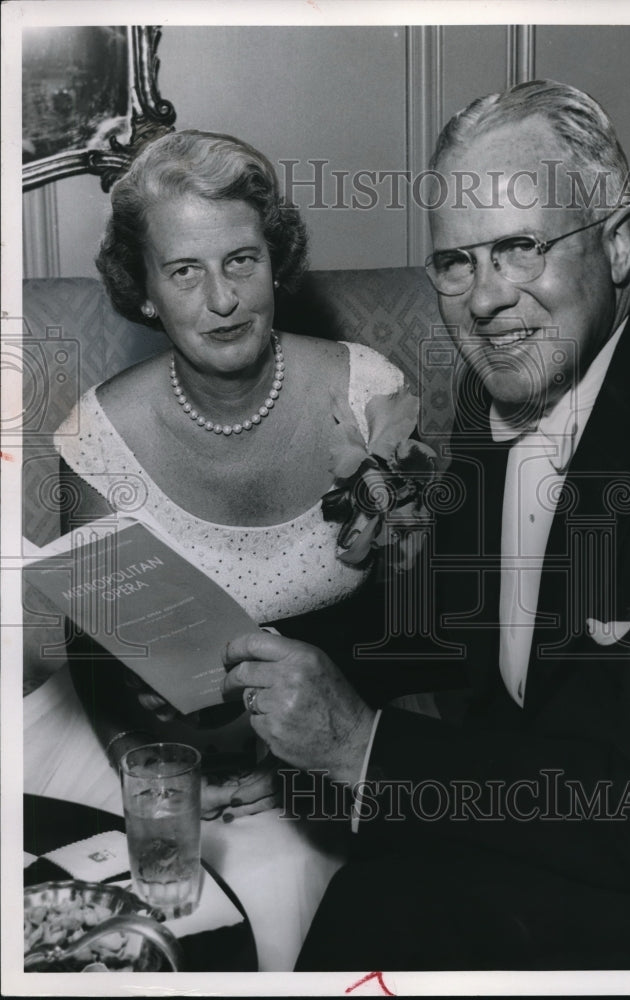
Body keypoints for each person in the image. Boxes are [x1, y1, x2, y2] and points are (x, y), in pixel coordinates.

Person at [222, 81, 630, 969]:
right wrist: (251, 653)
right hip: (533, 816)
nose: (485, 301)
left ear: (617, 244)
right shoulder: (510, 378)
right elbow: (469, 627)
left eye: (519, 249)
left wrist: (361, 745)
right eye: (457, 263)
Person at [51, 129, 416, 819]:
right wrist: (155, 771)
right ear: (145, 290)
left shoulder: (371, 394)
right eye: (184, 271)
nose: (222, 300)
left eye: (241, 260)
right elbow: (93, 663)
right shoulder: (97, 438)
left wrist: (312, 762)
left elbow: (419, 617)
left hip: (343, 763)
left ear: (275, 264)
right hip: (181, 770)